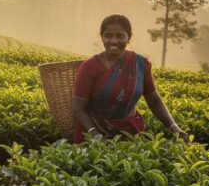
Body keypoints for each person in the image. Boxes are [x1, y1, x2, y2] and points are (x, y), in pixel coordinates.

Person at [72, 14, 188, 143]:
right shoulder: (90, 66)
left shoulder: (140, 64)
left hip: (129, 133)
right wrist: (94, 134)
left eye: (120, 36)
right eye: (108, 35)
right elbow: (78, 107)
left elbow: (154, 101)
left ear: (129, 37)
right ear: (101, 37)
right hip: (95, 132)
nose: (114, 41)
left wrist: (174, 127)